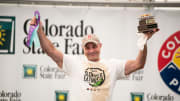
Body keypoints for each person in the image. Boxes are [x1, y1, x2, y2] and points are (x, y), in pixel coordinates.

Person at [30, 17, 159, 101]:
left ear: (100, 46)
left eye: (94, 46)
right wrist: (39, 31)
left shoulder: (113, 65)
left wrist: (143, 42)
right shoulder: (75, 63)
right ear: (83, 49)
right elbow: (50, 50)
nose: (91, 50)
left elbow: (139, 64)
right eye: (88, 47)